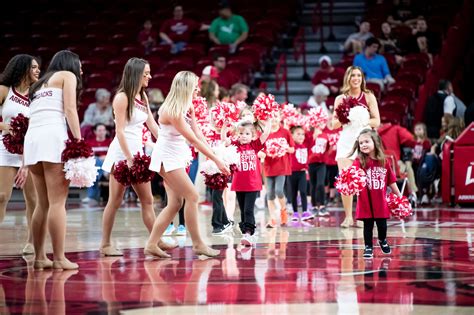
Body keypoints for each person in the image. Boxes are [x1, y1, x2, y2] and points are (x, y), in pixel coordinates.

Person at [146, 71, 230, 258]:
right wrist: (216, 160)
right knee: (192, 196)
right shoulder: (171, 110)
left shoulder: (185, 106)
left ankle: (151, 244)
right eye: (194, 87)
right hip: (166, 158)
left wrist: (216, 154)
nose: (198, 90)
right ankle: (199, 244)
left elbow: (198, 135)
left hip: (175, 156)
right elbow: (193, 140)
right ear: (185, 87)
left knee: (176, 203)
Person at [24, 50, 83, 270]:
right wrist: (78, 141)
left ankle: (40, 257)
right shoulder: (68, 76)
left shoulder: (37, 84)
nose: (81, 70)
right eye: (79, 64)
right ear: (70, 64)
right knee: (58, 202)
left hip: (32, 141)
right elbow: (70, 109)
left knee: (42, 203)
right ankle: (59, 258)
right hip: (53, 138)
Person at [100, 58, 162, 257]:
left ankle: (156, 241)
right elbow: (119, 131)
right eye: (145, 73)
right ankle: (105, 244)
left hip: (138, 152)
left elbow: (152, 125)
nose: (149, 77)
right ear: (135, 74)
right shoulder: (122, 97)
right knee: (115, 200)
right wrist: (128, 158)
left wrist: (167, 144)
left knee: (148, 199)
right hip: (122, 152)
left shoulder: (142, 95)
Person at [0, 54, 40, 255]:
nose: (38, 71)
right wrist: (5, 126)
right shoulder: (4, 91)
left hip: (30, 150)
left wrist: (26, 162)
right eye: (33, 67)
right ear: (22, 68)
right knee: (1, 196)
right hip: (5, 147)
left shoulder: (38, 94)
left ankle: (31, 242)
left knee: (33, 199)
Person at [333, 66, 380, 228]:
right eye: (353, 75)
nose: (356, 78)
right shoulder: (340, 99)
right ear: (348, 78)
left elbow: (377, 121)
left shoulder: (368, 96)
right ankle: (348, 217)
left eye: (359, 75)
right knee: (346, 180)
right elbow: (333, 124)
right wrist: (345, 117)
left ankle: (363, 215)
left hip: (363, 141)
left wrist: (361, 119)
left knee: (364, 181)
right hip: (346, 142)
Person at [349, 129, 401, 258]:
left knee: (382, 225)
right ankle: (368, 247)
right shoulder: (359, 161)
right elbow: (353, 176)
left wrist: (399, 196)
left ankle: (382, 240)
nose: (363, 145)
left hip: (380, 201)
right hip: (365, 201)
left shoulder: (384, 162)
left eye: (366, 141)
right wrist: (353, 180)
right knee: (368, 226)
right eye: (361, 143)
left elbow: (391, 181)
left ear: (375, 142)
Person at [222, 118, 271, 246]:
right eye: (241, 134)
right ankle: (248, 232)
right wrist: (224, 129)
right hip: (239, 184)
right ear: (238, 135)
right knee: (243, 210)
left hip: (253, 184)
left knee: (248, 209)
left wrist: (268, 121)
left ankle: (247, 233)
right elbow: (225, 141)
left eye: (247, 134)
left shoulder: (254, 145)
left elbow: (265, 135)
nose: (244, 136)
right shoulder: (236, 145)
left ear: (253, 136)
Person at [263, 112, 295, 228]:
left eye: (276, 116)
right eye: (271, 117)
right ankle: (272, 218)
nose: (273, 119)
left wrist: (283, 148)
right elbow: (260, 150)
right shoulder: (265, 133)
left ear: (280, 118)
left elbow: (292, 149)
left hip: (282, 167)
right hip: (269, 167)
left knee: (279, 191)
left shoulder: (285, 132)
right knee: (270, 194)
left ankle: (283, 210)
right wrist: (264, 153)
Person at [83, 123, 112, 205]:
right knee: (95, 162)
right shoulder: (90, 142)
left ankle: (91, 196)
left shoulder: (110, 142)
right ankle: (104, 173)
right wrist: (99, 158)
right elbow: (87, 155)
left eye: (103, 130)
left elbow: (113, 155)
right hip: (94, 165)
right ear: (95, 132)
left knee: (95, 168)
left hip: (107, 163)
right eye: (99, 130)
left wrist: (104, 157)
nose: (102, 132)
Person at [289, 126, 312, 221]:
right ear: (292, 136)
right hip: (291, 173)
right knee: (293, 193)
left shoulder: (305, 144)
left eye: (302, 134)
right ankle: (295, 212)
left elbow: (311, 137)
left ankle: (305, 212)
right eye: (298, 134)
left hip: (302, 173)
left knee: (303, 192)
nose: (301, 136)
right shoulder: (292, 145)